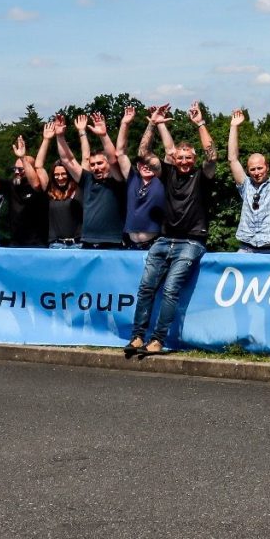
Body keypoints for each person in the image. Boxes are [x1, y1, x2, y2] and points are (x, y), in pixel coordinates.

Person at [127, 102, 217, 358]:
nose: (184, 161)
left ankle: (158, 339)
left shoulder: (202, 176)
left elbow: (212, 156)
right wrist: (152, 123)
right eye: (180, 157)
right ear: (174, 159)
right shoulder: (166, 173)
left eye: (189, 158)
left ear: (194, 159)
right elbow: (143, 153)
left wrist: (200, 123)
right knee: (146, 288)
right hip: (164, 240)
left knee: (169, 289)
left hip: (191, 242)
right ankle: (137, 336)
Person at [59, 112, 126, 250]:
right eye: (93, 164)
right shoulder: (87, 179)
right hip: (87, 242)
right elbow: (67, 160)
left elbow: (113, 159)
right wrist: (60, 137)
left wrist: (103, 135)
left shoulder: (117, 180)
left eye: (100, 163)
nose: (96, 168)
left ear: (107, 164)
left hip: (112, 243)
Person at [227, 107, 270, 252]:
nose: (256, 172)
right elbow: (233, 159)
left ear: (267, 167)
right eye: (252, 169)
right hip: (246, 248)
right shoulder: (245, 185)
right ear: (248, 171)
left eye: (260, 168)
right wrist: (234, 126)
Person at [0, 133, 47, 248]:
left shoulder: (40, 187)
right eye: (15, 169)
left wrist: (23, 158)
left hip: (37, 245)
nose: (16, 172)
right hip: (15, 244)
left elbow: (36, 184)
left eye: (20, 169)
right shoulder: (11, 185)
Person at [115, 106, 166, 250]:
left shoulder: (162, 180)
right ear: (137, 166)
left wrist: (154, 124)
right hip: (130, 244)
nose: (146, 166)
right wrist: (125, 124)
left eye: (150, 163)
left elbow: (168, 152)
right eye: (142, 163)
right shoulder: (132, 178)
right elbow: (120, 153)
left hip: (154, 245)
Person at [36, 120, 81, 247]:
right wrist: (46, 139)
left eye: (63, 174)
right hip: (56, 245)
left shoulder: (78, 188)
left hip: (77, 244)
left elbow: (80, 160)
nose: (60, 178)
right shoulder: (50, 190)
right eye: (56, 175)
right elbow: (38, 166)